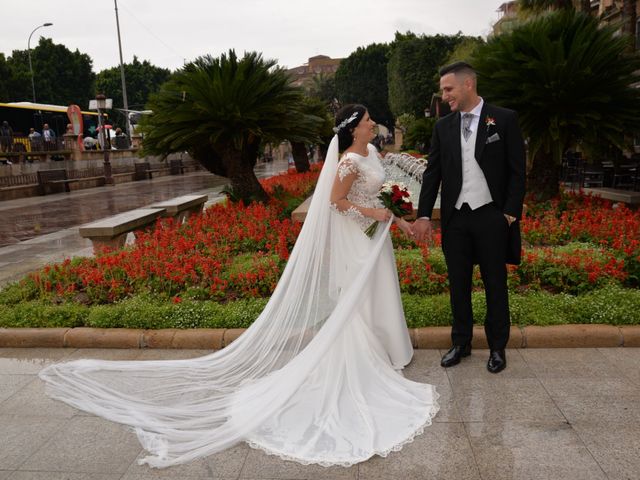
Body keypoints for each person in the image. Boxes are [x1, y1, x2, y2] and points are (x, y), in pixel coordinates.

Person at [39, 104, 439, 468]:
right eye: (368, 120)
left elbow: (382, 190)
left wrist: (396, 214)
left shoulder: (371, 154)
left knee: (374, 293)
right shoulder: (350, 161)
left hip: (375, 235)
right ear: (355, 129)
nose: (373, 124)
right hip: (358, 235)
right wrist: (377, 211)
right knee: (356, 302)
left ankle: (384, 350)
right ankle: (361, 358)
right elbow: (336, 202)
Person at [413, 61, 526, 374]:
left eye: (448, 89)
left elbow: (518, 172)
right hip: (456, 218)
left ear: (468, 85)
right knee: (458, 283)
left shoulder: (503, 119)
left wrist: (508, 214)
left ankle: (497, 348)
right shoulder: (443, 127)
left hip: (491, 216)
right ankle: (460, 343)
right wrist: (424, 214)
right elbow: (432, 173)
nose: (444, 95)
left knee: (495, 283)